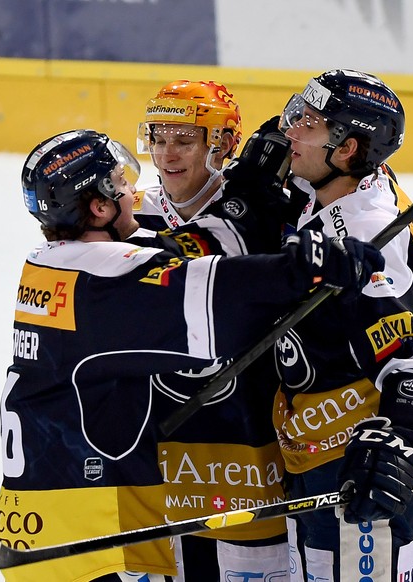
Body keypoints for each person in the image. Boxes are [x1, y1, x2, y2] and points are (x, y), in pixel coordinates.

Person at [0, 128, 385, 582]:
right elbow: (217, 296)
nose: (133, 192)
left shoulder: (52, 266)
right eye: (120, 186)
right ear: (98, 208)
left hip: (43, 512)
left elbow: (171, 256)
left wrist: (241, 199)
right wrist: (307, 266)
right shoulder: (105, 281)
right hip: (90, 526)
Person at [271, 69, 413, 582]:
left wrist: (398, 440)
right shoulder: (337, 187)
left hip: (352, 461)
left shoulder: (365, 233)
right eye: (296, 113)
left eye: (308, 124)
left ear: (346, 150)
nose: (289, 131)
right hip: (315, 446)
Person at [132, 80, 292, 580]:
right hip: (165, 449)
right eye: (158, 138)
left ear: (220, 143)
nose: (166, 153)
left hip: (250, 449)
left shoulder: (271, 212)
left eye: (183, 138)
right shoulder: (130, 213)